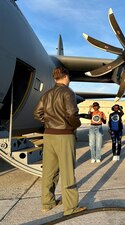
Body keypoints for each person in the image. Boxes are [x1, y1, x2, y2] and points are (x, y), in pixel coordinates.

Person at [34, 67, 86, 216]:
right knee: (68, 171)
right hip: (64, 135)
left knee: (49, 172)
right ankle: (70, 208)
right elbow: (71, 114)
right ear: (66, 77)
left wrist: (49, 122)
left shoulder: (47, 94)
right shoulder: (67, 92)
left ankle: (47, 203)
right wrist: (75, 125)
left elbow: (37, 113)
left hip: (49, 135)